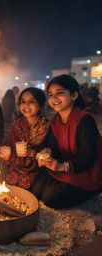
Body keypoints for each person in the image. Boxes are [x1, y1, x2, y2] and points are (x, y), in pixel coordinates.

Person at [32, 74, 102, 209]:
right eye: (50, 94)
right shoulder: (55, 120)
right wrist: (47, 152)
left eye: (60, 93)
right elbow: (52, 145)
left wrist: (61, 166)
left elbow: (89, 156)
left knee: (51, 199)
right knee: (35, 190)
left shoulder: (84, 120)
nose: (54, 98)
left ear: (74, 95)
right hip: (65, 167)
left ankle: (93, 191)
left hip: (85, 171)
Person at [0, 87, 54, 189]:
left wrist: (31, 153)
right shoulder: (17, 124)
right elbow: (10, 148)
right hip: (16, 166)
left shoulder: (47, 126)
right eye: (22, 102)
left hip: (38, 169)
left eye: (31, 101)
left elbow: (50, 153)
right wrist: (6, 153)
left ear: (41, 105)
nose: (26, 105)